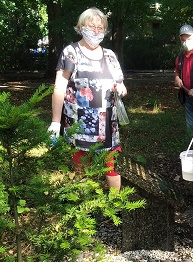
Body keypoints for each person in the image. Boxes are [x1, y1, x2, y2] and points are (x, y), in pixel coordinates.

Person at [47, 7, 127, 192]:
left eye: (101, 28)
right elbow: (59, 87)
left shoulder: (110, 55)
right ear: (81, 27)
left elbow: (121, 84)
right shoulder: (71, 52)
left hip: (108, 126)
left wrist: (121, 88)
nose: (96, 31)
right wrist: (54, 122)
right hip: (79, 125)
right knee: (81, 169)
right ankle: (84, 211)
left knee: (112, 168)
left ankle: (115, 208)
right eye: (92, 27)